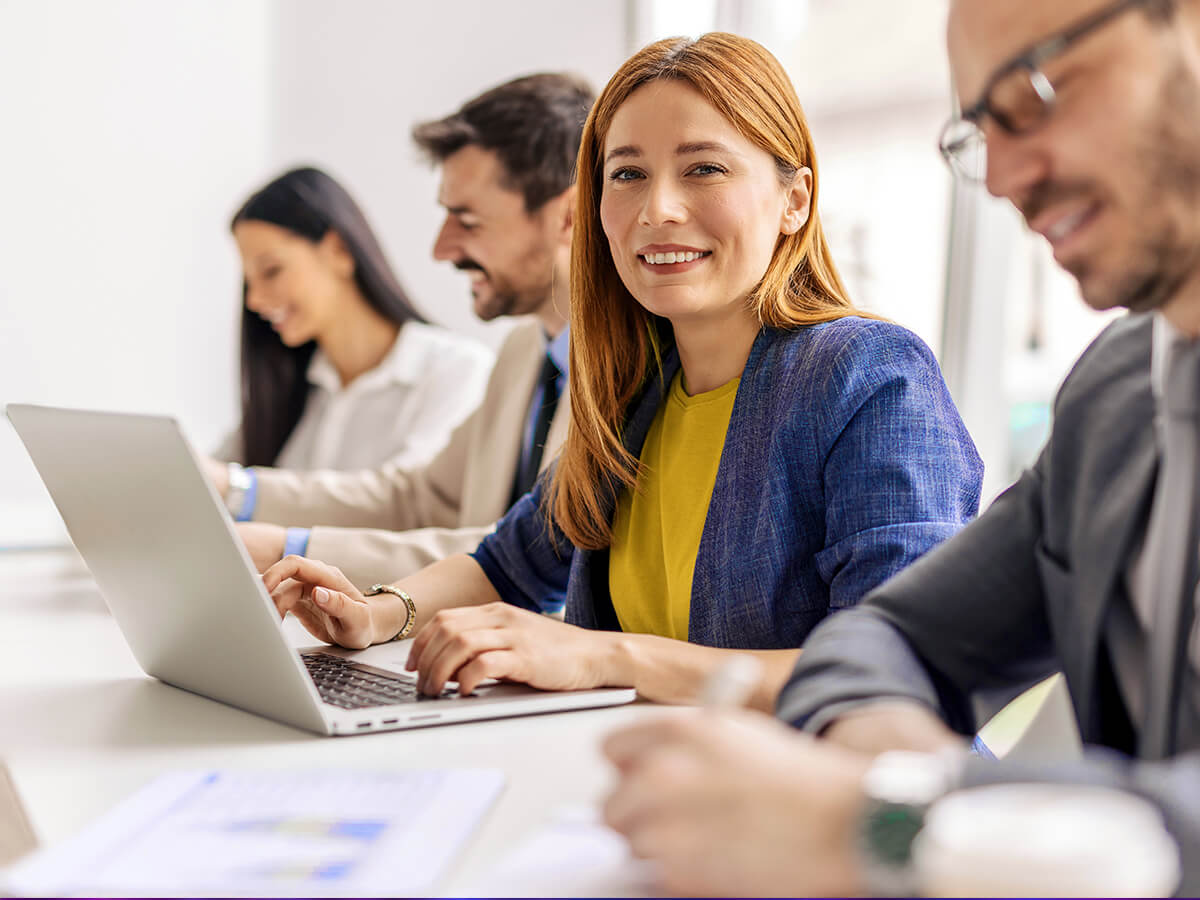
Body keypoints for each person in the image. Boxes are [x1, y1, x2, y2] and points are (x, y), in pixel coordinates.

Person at [601, 1, 1200, 896]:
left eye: (1035, 90)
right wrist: (890, 781)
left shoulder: (857, 372)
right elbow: (884, 634)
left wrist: (896, 826)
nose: (997, 177)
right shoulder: (1119, 392)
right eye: (979, 128)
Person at [261, 33, 982, 710]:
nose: (657, 210)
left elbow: (891, 668)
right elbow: (508, 565)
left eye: (704, 168)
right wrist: (375, 614)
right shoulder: (637, 386)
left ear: (794, 200)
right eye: (628, 174)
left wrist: (608, 658)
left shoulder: (867, 377)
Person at [207, 77, 593, 587]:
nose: (442, 249)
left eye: (467, 220)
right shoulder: (525, 353)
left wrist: (291, 547)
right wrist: (239, 491)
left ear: (568, 216)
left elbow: (525, 558)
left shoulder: (632, 369)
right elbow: (417, 498)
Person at [211, 166, 492, 489]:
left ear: (338, 250)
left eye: (271, 271)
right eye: (249, 283)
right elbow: (202, 481)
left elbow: (409, 505)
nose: (255, 300)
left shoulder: (456, 370)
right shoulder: (291, 391)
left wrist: (241, 490)